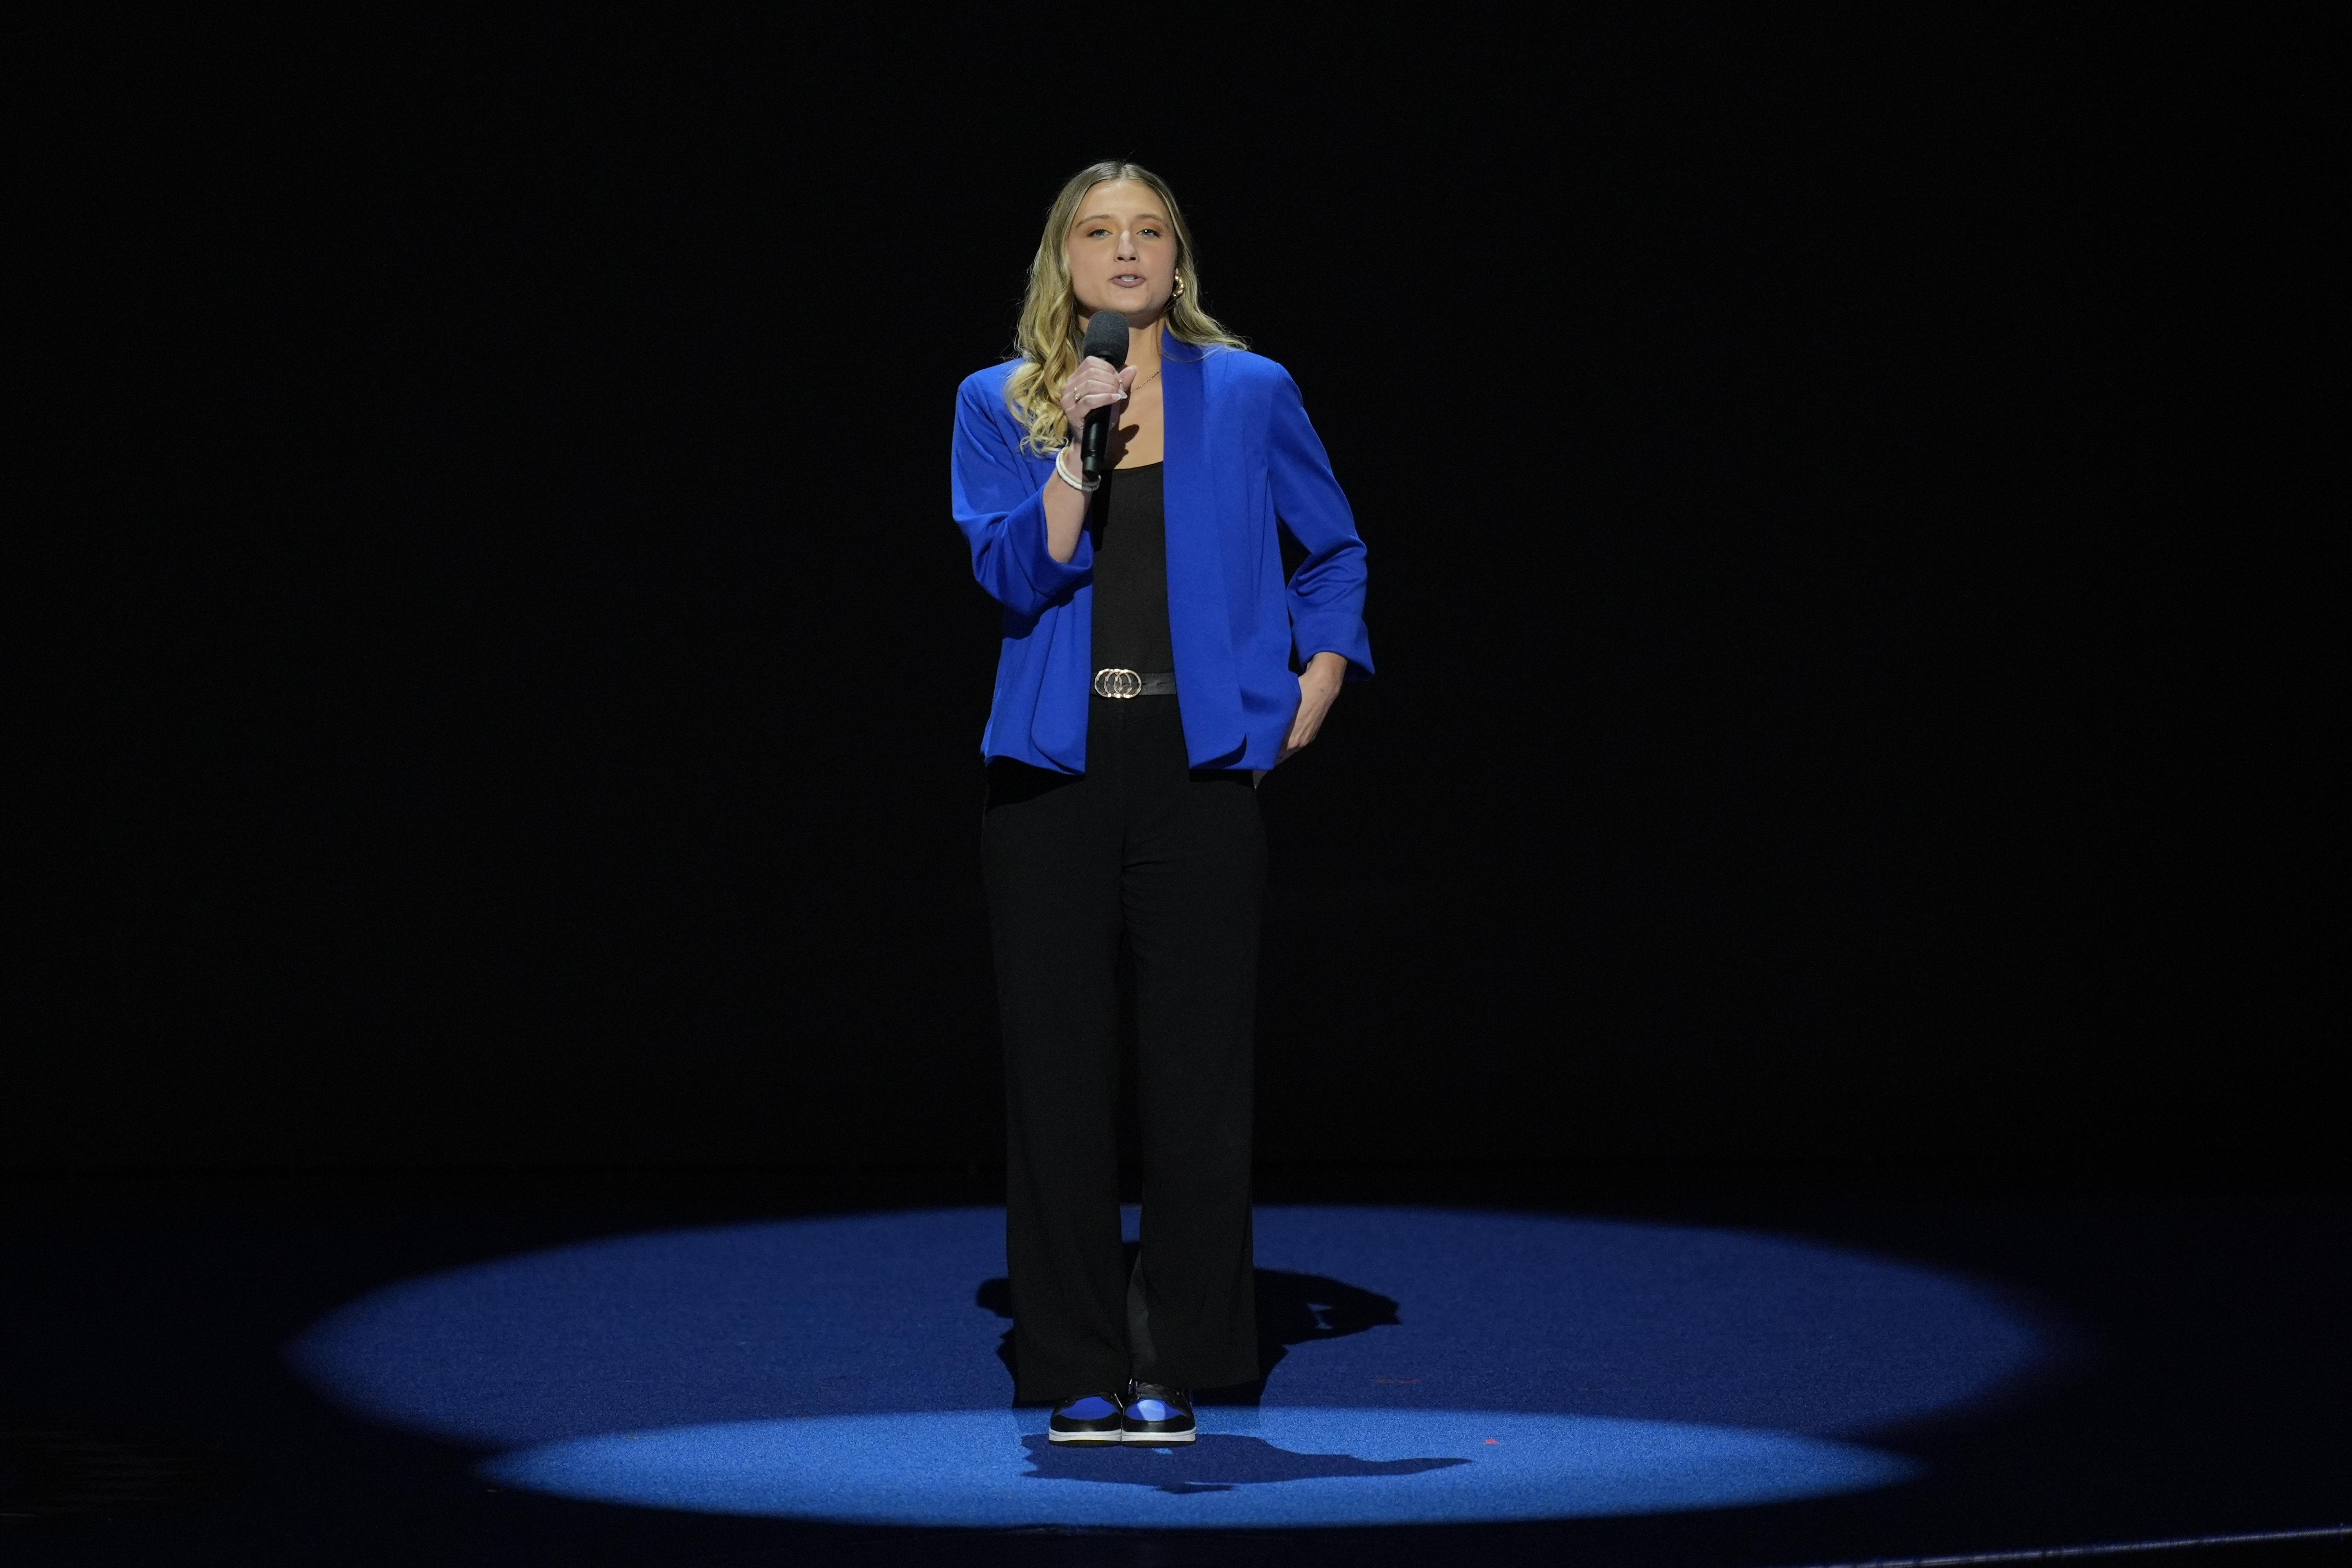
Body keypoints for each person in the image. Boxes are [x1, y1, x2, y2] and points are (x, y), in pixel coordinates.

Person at [950, 161, 1372, 1446]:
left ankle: (1175, 1359)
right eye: (1099, 232)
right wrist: (1078, 444)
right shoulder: (1001, 401)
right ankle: (1072, 1359)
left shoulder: (1248, 391)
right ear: (1062, 264)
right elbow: (1015, 576)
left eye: (1149, 233)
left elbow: (1334, 546)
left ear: (1176, 265)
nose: (1126, 250)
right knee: (1060, 1079)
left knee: (1197, 1083)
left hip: (1197, 771)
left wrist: (1321, 677)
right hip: (1054, 778)